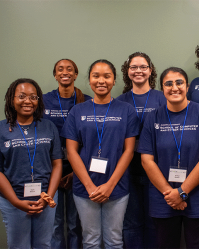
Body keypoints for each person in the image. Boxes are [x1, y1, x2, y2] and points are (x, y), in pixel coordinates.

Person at [61, 59, 140, 249]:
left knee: (114, 240)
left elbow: (129, 151)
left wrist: (110, 185)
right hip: (84, 189)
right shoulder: (77, 111)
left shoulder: (126, 110)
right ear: (89, 80)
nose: (101, 80)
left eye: (107, 76)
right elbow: (71, 152)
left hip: (117, 187)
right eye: (96, 76)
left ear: (114, 81)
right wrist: (89, 186)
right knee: (90, 240)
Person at [138, 67, 199, 249]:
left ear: (187, 86)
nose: (174, 88)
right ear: (162, 88)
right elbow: (146, 160)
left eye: (179, 82)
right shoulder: (153, 117)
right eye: (168, 84)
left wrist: (181, 192)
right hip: (163, 198)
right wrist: (171, 194)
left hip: (198, 197)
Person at [0, 78, 62, 248]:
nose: (28, 101)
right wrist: (15, 201)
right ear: (12, 100)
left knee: (44, 244)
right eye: (21, 96)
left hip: (45, 198)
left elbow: (57, 164)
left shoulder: (49, 127)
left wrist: (48, 196)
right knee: (19, 245)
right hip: (14, 200)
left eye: (33, 97)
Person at [117, 52, 166, 249]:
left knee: (154, 222)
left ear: (150, 70)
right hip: (128, 170)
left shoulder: (162, 98)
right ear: (127, 72)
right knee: (131, 224)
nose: (138, 71)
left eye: (143, 67)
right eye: (134, 67)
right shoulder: (120, 101)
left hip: (157, 168)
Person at [43, 59, 92, 249]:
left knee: (75, 224)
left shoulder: (87, 101)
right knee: (54, 224)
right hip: (51, 168)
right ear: (55, 75)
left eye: (69, 69)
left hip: (78, 168)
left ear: (76, 75)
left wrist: (77, 172)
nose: (65, 72)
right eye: (60, 69)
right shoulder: (44, 100)